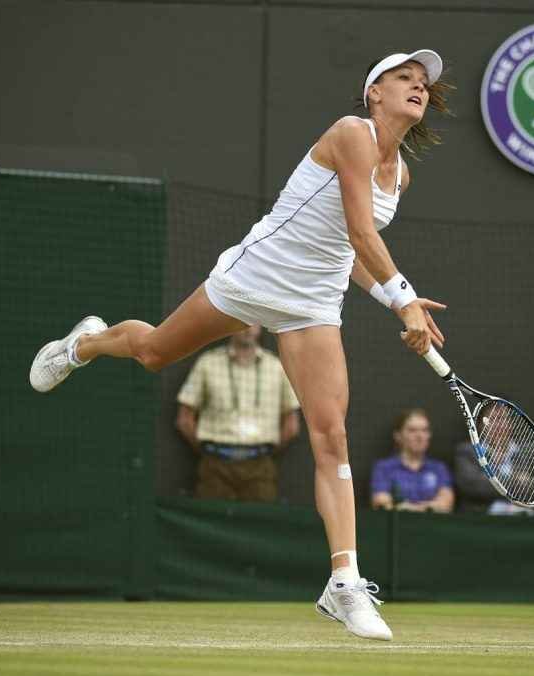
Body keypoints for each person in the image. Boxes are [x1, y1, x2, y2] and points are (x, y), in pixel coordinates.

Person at [29, 49, 451, 641]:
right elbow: (358, 227)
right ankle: (86, 345)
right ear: (373, 93)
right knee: (152, 354)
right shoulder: (351, 133)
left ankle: (344, 583)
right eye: (402, 78)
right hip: (255, 277)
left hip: (312, 305)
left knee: (332, 437)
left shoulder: (402, 174)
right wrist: (403, 296)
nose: (417, 86)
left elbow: (354, 251)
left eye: (423, 83)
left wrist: (396, 301)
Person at [175, 324, 300, 502]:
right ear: (229, 322)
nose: (247, 328)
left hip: (260, 468)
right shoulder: (207, 363)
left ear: (261, 325)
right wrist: (209, 452)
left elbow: (292, 425)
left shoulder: (278, 368)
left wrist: (264, 453)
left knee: (258, 524)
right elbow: (184, 419)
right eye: (241, 320)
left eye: (253, 321)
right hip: (215, 466)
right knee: (211, 523)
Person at [371, 408, 454, 513]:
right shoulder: (384, 468)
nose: (420, 436)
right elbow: (381, 503)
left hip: (433, 526)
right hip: (398, 526)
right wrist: (428, 507)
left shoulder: (439, 468)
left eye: (424, 430)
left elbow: (446, 504)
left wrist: (407, 507)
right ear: (398, 436)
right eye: (412, 430)